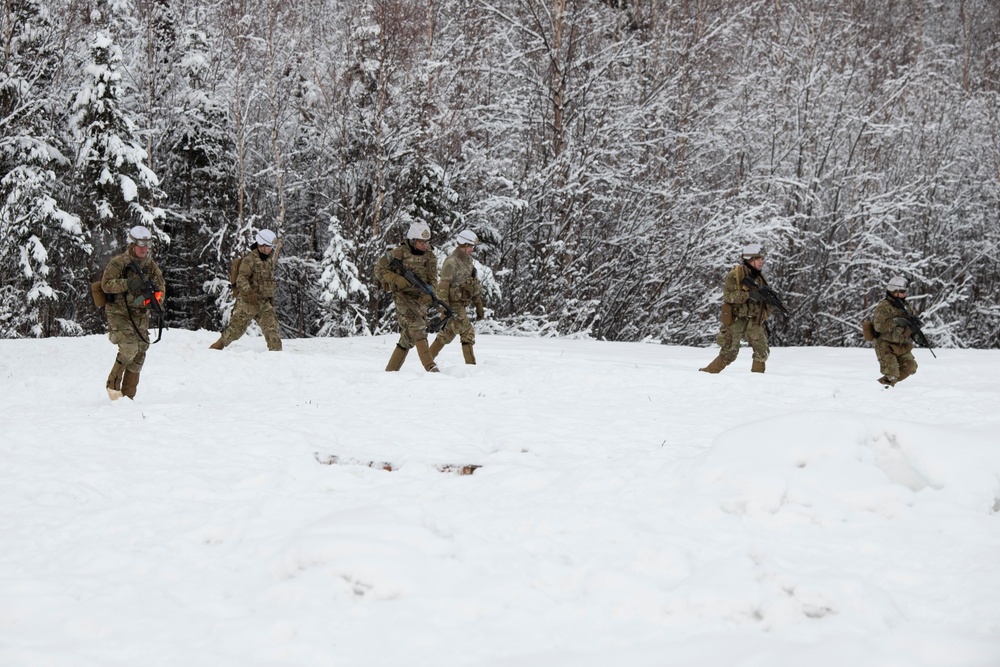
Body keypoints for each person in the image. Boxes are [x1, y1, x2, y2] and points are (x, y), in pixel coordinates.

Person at [101, 225, 166, 400]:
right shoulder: (119, 262)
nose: (143, 249)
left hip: (139, 314)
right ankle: (113, 387)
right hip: (119, 313)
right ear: (132, 244)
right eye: (140, 245)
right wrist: (127, 284)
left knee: (140, 352)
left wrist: (156, 301)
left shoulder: (150, 265)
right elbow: (106, 284)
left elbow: (161, 286)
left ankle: (128, 397)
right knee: (129, 348)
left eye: (146, 245)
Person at [374, 221, 440, 372]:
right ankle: (431, 368)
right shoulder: (397, 253)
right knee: (418, 328)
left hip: (420, 299)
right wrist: (397, 280)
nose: (424, 245)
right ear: (412, 240)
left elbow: (433, 280)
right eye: (421, 242)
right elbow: (378, 269)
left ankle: (390, 373)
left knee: (407, 338)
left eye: (426, 242)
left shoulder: (430, 256)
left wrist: (431, 294)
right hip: (403, 297)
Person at [700, 243, 773, 374]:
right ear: (750, 260)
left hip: (754, 320)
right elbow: (728, 296)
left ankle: (758, 380)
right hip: (736, 319)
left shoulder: (760, 278)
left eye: (762, 259)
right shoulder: (735, 275)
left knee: (762, 350)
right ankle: (708, 374)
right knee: (729, 352)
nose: (761, 261)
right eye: (758, 259)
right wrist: (748, 295)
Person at [209, 229, 282, 351]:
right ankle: (216, 349)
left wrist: (270, 299)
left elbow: (268, 280)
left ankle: (275, 357)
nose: (270, 249)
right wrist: (249, 292)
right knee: (235, 330)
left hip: (263, 303)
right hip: (248, 302)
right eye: (268, 246)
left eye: (271, 247)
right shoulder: (250, 260)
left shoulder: (268, 260)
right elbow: (241, 279)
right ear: (261, 245)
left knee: (272, 330)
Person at [429, 229, 485, 365]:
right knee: (467, 332)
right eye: (470, 246)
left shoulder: (469, 261)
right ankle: (471, 367)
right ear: (463, 245)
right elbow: (442, 288)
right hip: (452, 305)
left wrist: (479, 306)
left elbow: (473, 285)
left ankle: (426, 360)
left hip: (461, 304)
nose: (472, 249)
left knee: (446, 335)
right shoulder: (451, 262)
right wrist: (444, 310)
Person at [871, 275, 918, 387]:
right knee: (892, 374)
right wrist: (896, 322)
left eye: (905, 291)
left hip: (901, 344)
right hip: (885, 344)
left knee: (911, 367)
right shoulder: (884, 306)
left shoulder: (904, 306)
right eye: (902, 291)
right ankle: (879, 389)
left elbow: (910, 322)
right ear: (894, 291)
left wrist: (916, 330)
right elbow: (878, 327)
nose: (904, 294)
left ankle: (883, 386)